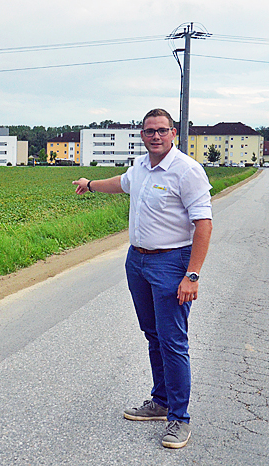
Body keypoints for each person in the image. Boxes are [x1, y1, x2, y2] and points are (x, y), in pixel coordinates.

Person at [72, 108, 213, 449]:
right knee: (153, 335)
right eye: (149, 131)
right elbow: (120, 184)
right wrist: (90, 184)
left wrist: (191, 275)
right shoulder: (140, 166)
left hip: (171, 263)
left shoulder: (188, 171)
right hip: (137, 261)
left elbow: (204, 225)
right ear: (142, 134)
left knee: (173, 342)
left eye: (162, 130)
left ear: (174, 133)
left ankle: (180, 419)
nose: (155, 136)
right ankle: (161, 402)